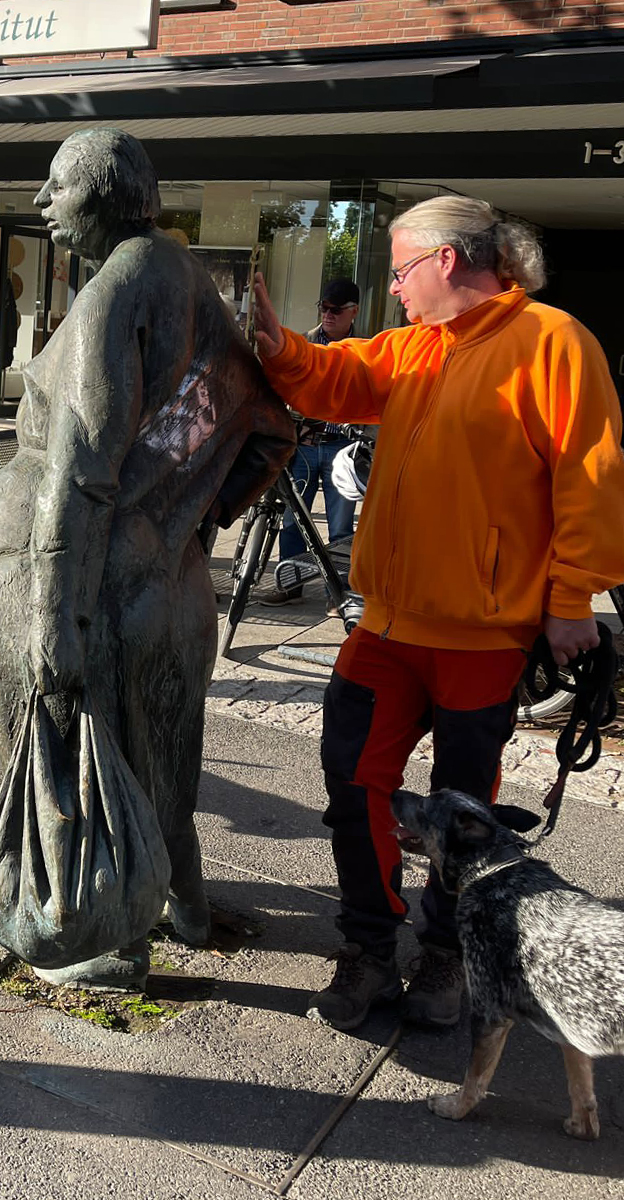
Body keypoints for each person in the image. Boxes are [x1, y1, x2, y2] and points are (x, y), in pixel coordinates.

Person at [251, 195, 624, 1030]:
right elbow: (337, 378)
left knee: (462, 809)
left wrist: (571, 601)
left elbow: (591, 479)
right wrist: (277, 344)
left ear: (447, 261)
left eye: (401, 269)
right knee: (354, 785)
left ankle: (449, 953)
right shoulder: (413, 347)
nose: (396, 286)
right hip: (385, 626)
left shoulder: (555, 343)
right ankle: (371, 949)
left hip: (482, 636)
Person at [0, 129, 294, 989]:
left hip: (64, 568)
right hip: (159, 575)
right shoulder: (185, 279)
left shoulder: (113, 292)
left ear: (103, 197)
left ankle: (103, 938)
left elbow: (82, 469)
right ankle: (184, 900)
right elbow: (265, 423)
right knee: (165, 746)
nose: (41, 204)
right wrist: (189, 518)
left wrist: (52, 620)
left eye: (56, 188)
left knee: (73, 753)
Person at [262, 279, 362, 605]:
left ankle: (339, 594)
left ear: (353, 312)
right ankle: (290, 586)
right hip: (304, 445)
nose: (329, 314)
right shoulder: (304, 342)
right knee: (293, 521)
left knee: (341, 527)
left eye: (336, 309)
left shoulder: (364, 349)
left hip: (340, 448)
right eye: (324, 308)